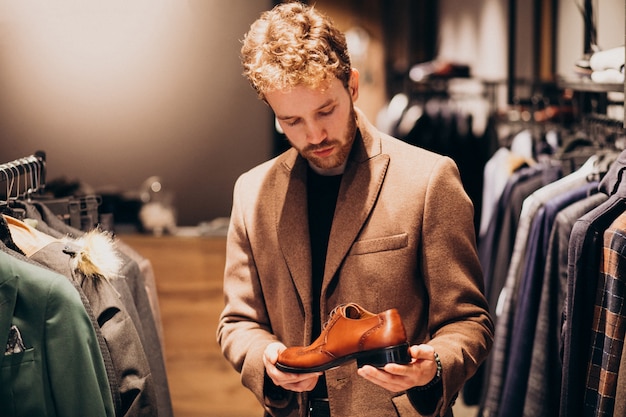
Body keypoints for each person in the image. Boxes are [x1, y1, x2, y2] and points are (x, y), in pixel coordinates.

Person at [217, 2, 494, 416]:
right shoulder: (252, 192)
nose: (314, 134)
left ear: (353, 86)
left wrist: (432, 366)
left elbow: (469, 321)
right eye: (291, 121)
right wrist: (267, 358)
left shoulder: (429, 179)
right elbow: (237, 322)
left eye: (325, 111)